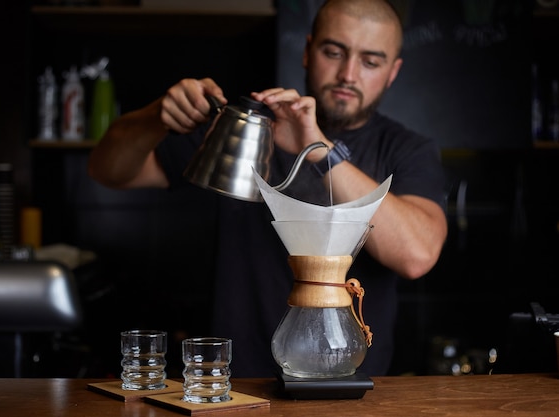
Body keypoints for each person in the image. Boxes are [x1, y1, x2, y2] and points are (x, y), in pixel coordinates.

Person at [88, 0, 448, 377]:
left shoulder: (407, 149)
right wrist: (155, 116)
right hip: (235, 387)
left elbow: (416, 255)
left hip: (354, 391)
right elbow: (108, 171)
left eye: (370, 62)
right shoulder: (249, 128)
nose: (348, 74)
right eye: (333, 52)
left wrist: (318, 149)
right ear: (308, 51)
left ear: (393, 72)